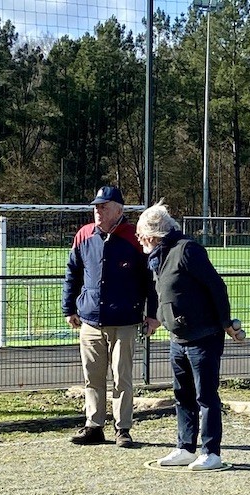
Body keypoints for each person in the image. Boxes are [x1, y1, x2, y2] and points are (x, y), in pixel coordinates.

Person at [135, 203, 242, 470]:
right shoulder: (159, 257)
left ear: (152, 234)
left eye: (141, 235)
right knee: (182, 395)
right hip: (177, 339)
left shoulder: (187, 250)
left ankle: (211, 451)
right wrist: (158, 320)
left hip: (204, 337)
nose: (139, 241)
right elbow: (168, 295)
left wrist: (226, 323)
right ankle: (185, 447)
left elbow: (216, 287)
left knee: (205, 396)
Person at [62, 186, 159, 448]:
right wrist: (69, 308)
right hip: (90, 320)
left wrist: (153, 315)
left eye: (104, 206)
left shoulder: (134, 237)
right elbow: (73, 273)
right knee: (92, 377)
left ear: (119, 209)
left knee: (122, 377)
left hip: (125, 321)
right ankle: (93, 426)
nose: (98, 210)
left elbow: (151, 280)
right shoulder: (83, 235)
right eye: (96, 206)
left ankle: (122, 428)